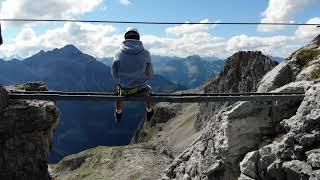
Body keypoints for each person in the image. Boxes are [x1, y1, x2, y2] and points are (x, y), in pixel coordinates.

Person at [112, 28, 154, 123]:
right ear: (138, 39)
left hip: (124, 90)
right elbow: (150, 75)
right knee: (149, 91)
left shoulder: (118, 54)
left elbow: (114, 75)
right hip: (141, 90)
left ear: (125, 39)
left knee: (118, 92)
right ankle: (149, 110)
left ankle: (118, 112)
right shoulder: (145, 53)